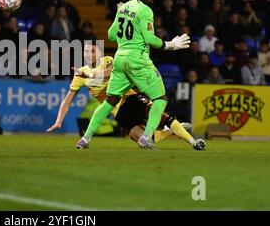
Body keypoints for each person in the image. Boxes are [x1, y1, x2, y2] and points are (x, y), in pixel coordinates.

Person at [75, 0, 191, 150]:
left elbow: (111, 35)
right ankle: (146, 137)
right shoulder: (145, 10)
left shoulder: (123, 8)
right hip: (137, 59)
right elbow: (149, 39)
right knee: (160, 99)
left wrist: (119, 14)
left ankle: (85, 139)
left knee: (110, 101)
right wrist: (170, 45)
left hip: (120, 58)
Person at [46, 43, 204, 150]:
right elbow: (67, 101)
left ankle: (193, 142)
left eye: (92, 51)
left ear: (99, 52)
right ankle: (172, 131)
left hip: (131, 99)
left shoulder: (108, 61)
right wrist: (59, 120)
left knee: (162, 117)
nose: (89, 54)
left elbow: (108, 74)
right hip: (118, 112)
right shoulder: (79, 76)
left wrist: (89, 74)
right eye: (86, 51)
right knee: (145, 141)